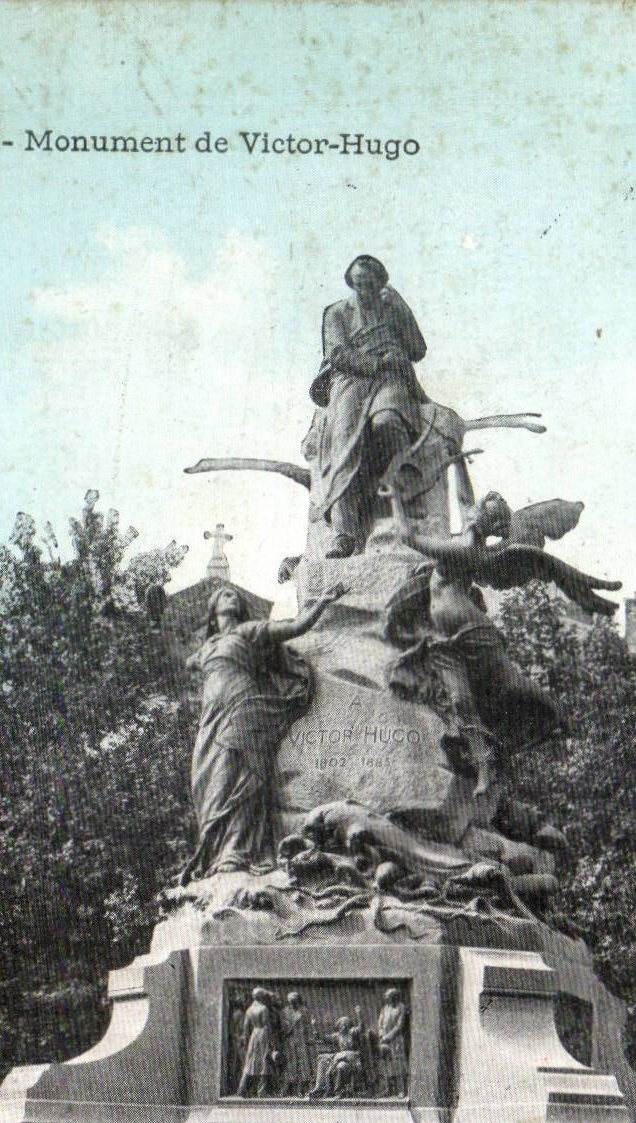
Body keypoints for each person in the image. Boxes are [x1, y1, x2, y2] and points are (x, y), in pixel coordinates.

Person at [179, 582, 346, 881]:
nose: (230, 595)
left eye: (234, 595)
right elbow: (182, 661)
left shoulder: (248, 631)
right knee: (205, 782)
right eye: (223, 595)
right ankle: (216, 854)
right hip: (212, 718)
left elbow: (296, 626)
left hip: (245, 708)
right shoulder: (207, 648)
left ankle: (236, 852)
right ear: (213, 614)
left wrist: (322, 602)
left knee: (239, 775)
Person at [310, 255, 428, 559]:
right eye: (359, 283)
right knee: (345, 442)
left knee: (388, 422)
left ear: (381, 285)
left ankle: (402, 504)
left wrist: (401, 305)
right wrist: (377, 362)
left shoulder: (392, 309)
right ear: (352, 283)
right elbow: (337, 354)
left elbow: (417, 349)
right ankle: (344, 532)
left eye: (371, 285)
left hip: (390, 379)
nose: (365, 290)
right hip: (352, 378)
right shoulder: (336, 312)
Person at [236, 988, 279, 1099]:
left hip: (254, 1036)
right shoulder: (264, 1008)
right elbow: (266, 1024)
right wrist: (271, 1041)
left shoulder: (249, 1010)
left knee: (251, 1062)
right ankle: (261, 1091)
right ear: (261, 997)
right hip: (263, 1033)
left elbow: (246, 1028)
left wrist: (248, 1039)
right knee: (265, 1060)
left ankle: (243, 1089)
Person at [279, 990, 318, 1098]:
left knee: (302, 1065)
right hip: (290, 1041)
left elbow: (308, 1026)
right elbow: (284, 1027)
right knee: (291, 1065)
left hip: (301, 1041)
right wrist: (288, 1027)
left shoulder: (304, 1010)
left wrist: (310, 1038)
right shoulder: (284, 1012)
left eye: (295, 1001)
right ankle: (288, 1089)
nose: (293, 1003)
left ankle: (301, 1089)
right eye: (291, 1001)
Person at [377, 988, 410, 1098]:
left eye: (390, 997)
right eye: (387, 997)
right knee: (386, 1064)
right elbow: (380, 1023)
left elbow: (399, 1025)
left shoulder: (401, 1007)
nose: (388, 999)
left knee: (398, 1064)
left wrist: (389, 1036)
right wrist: (382, 1034)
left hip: (396, 1041)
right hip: (385, 1041)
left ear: (395, 996)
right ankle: (387, 1089)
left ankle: (401, 1090)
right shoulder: (385, 1008)